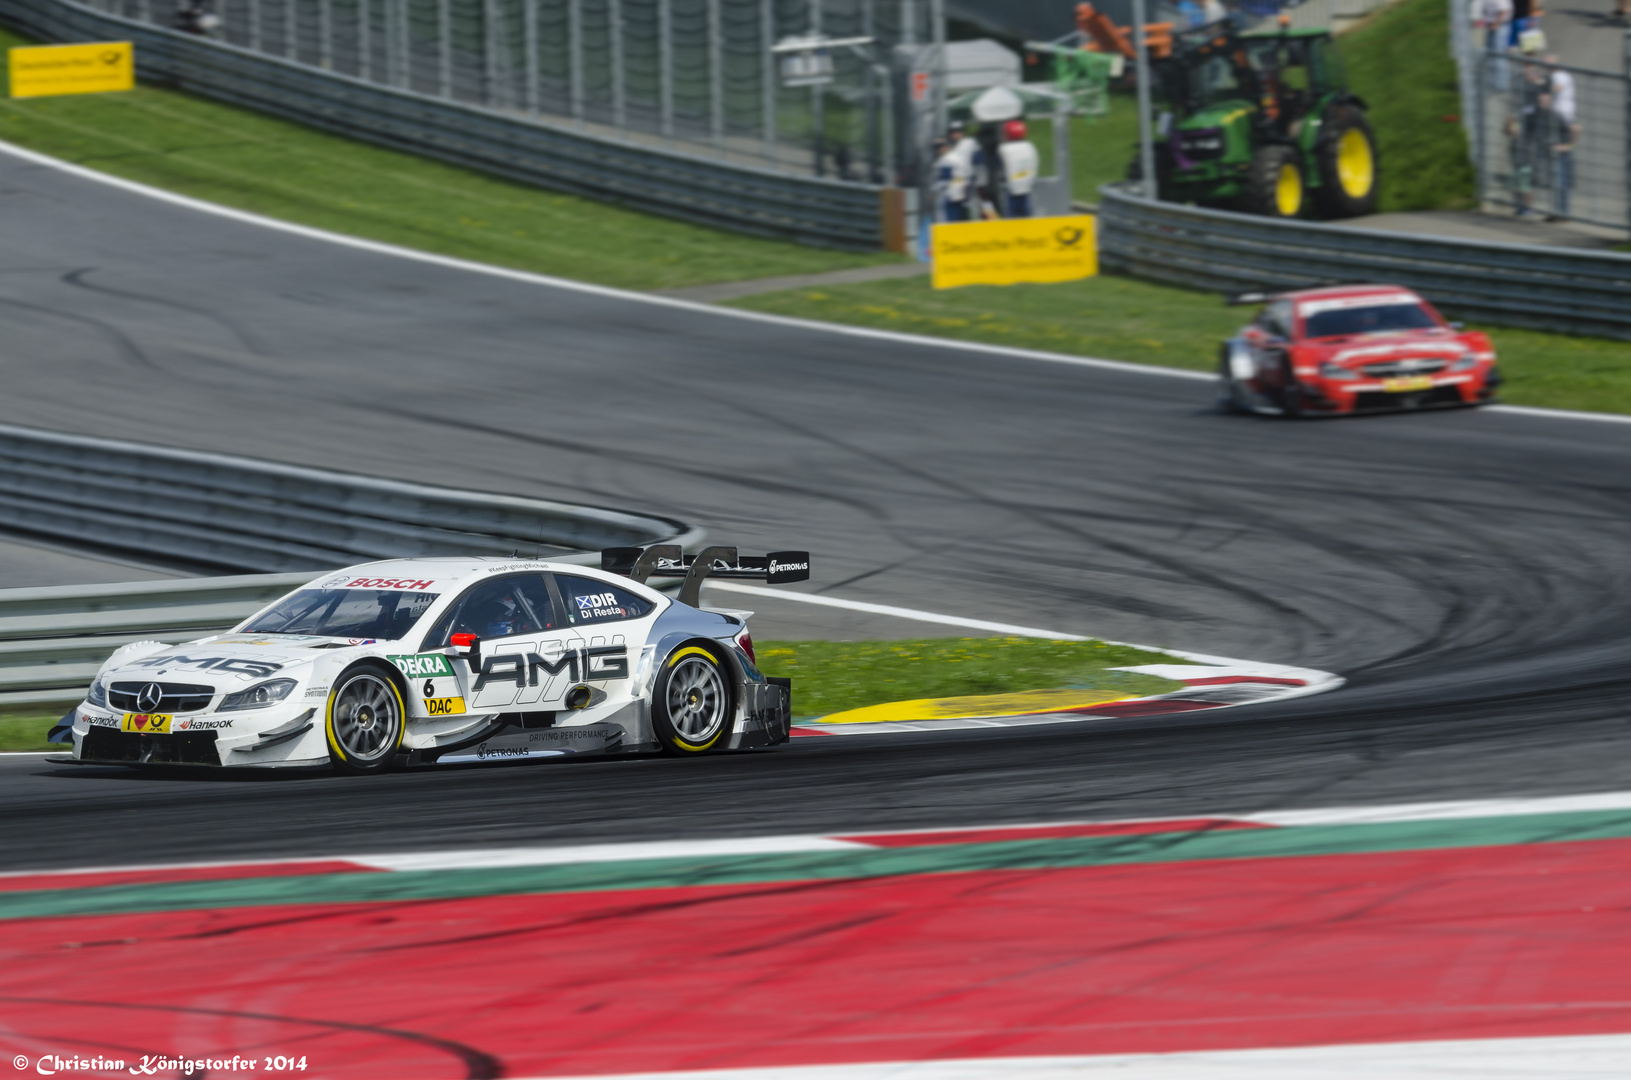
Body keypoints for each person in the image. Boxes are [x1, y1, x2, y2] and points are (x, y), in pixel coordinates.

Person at [998, 120, 1040, 218]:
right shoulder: (1030, 146)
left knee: (1012, 220)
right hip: (1027, 188)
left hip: (1011, 191)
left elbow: (1000, 168)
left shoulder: (1003, 148)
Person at [934, 136, 972, 221]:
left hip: (950, 194)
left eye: (943, 146)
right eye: (939, 147)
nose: (941, 149)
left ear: (948, 146)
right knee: (960, 220)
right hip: (962, 193)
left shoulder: (946, 159)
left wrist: (933, 190)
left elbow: (945, 180)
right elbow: (967, 175)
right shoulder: (958, 157)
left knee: (951, 220)